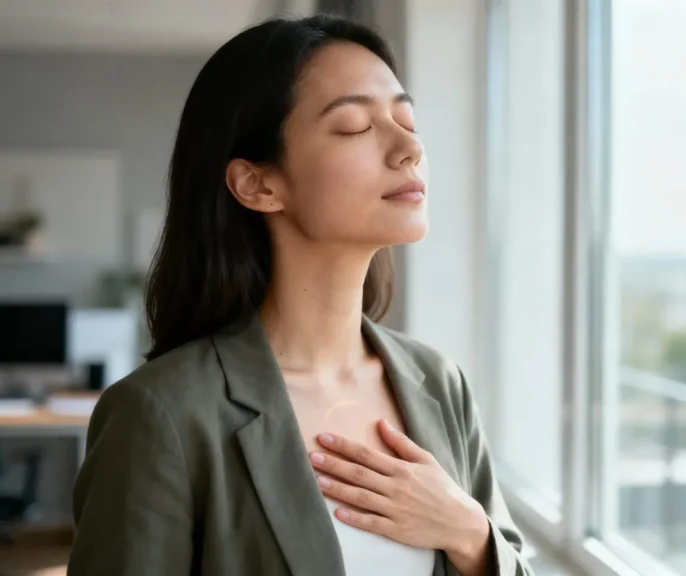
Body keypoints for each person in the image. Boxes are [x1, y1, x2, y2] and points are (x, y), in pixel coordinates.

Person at [67, 13, 532, 576]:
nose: (410, 147)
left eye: (407, 120)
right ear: (258, 184)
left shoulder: (439, 383)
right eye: (356, 126)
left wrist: (468, 532)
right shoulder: (162, 414)